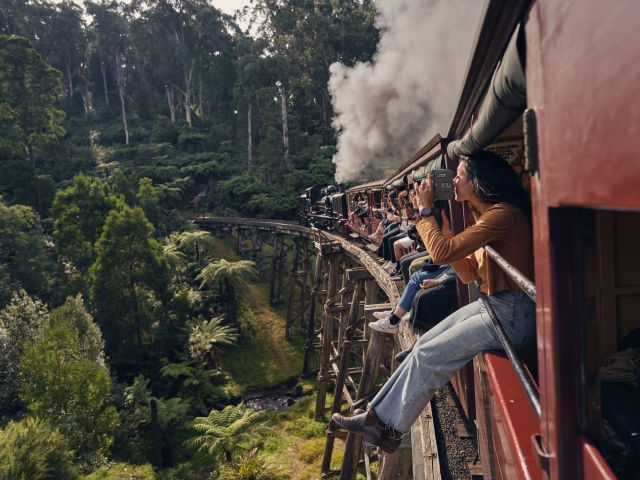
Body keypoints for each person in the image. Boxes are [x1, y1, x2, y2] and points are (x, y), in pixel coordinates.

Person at [332, 150, 535, 453]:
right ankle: (375, 417)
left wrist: (426, 214)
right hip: (499, 307)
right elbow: (467, 274)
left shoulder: (503, 215)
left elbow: (439, 254)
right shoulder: (486, 217)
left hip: (513, 314)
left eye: (459, 175)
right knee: (422, 347)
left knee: (428, 354)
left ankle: (386, 428)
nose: (452, 181)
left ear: (478, 182)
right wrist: (447, 237)